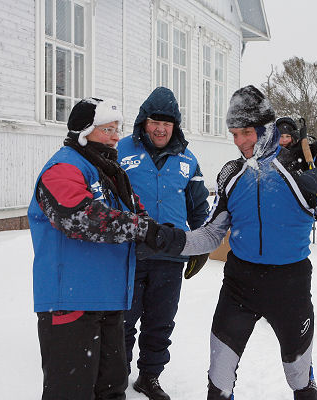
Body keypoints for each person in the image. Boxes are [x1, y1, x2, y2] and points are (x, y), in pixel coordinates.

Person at [180, 86, 317, 399]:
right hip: (239, 286)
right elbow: (211, 234)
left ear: (266, 129)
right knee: (219, 379)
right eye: (234, 134)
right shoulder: (231, 174)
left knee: (299, 378)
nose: (240, 142)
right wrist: (165, 240)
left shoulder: (299, 172)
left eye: (247, 131)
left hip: (289, 288)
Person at [28, 97, 185, 400]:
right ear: (84, 131)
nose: (116, 136)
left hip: (110, 301)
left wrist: (161, 233)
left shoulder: (109, 171)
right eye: (108, 129)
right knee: (71, 393)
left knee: (111, 391)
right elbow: (80, 218)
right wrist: (143, 230)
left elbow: (135, 213)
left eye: (117, 129)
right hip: (72, 302)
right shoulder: (63, 168)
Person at [117, 87, 210, 400]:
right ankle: (116, 377)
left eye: (167, 124)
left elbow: (199, 208)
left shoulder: (188, 159)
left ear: (175, 126)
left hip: (171, 254)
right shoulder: (121, 151)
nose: (160, 128)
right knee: (123, 320)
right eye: (154, 121)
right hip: (128, 253)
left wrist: (202, 245)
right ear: (144, 121)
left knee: (160, 322)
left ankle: (149, 377)